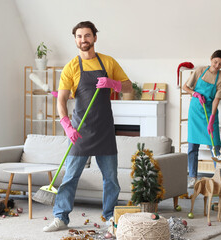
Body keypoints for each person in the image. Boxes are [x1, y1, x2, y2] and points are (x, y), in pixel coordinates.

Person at [43, 21, 132, 232]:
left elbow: (129, 88)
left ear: (95, 38)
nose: (84, 40)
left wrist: (113, 84)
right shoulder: (71, 66)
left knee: (110, 178)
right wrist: (66, 125)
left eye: (87, 35)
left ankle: (110, 216)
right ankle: (61, 217)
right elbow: (61, 100)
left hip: (104, 130)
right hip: (79, 131)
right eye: (79, 36)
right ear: (75, 40)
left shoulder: (109, 62)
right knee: (70, 177)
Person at [182, 50, 221, 188]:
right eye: (215, 62)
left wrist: (212, 119)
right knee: (192, 147)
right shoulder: (200, 70)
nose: (217, 65)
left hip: (209, 111)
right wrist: (195, 93)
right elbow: (186, 87)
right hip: (195, 111)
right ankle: (192, 177)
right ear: (211, 59)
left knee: (215, 147)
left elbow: (216, 101)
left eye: (220, 64)